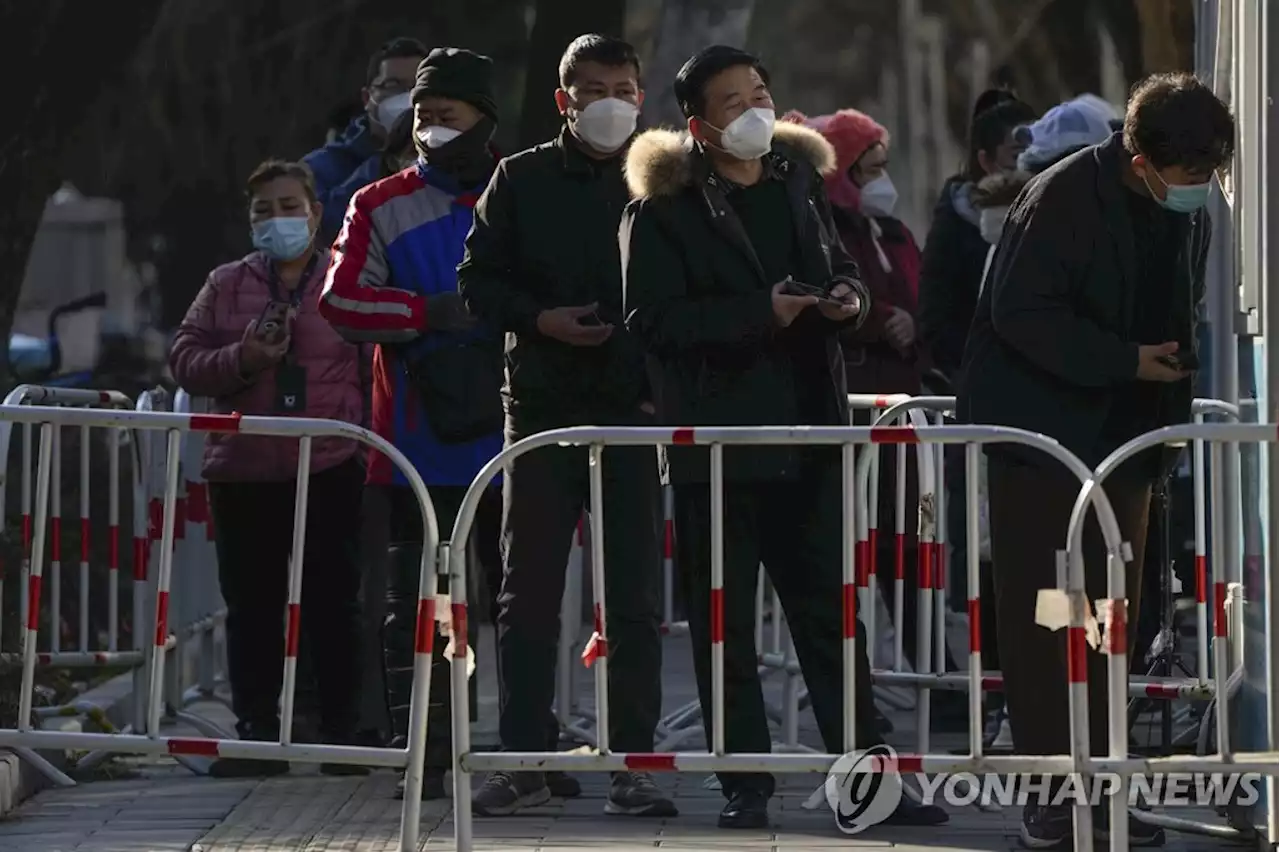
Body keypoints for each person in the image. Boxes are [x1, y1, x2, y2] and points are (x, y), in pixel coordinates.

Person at [620, 45, 947, 832]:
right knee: (723, 624)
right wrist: (759, 312)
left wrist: (845, 298)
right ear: (698, 124)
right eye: (734, 102)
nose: (754, 110)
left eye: (760, 91)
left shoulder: (798, 182)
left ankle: (870, 780)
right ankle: (746, 785)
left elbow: (842, 270)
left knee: (833, 621)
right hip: (718, 447)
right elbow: (652, 323)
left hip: (811, 433)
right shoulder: (661, 209)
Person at [958, 71, 1233, 847]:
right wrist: (1126, 360)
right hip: (1046, 443)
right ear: (1141, 158)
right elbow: (1022, 313)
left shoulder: (1176, 206)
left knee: (1113, 617)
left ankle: (1104, 781)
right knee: (1054, 613)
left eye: (1209, 176)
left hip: (1126, 444)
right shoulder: (1064, 196)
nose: (1199, 190)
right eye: (1189, 176)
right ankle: (1053, 788)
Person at [457, 34, 673, 819]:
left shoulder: (663, 179)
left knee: (636, 597)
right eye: (593, 87)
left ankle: (636, 763)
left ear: (642, 97)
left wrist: (654, 387)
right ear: (564, 99)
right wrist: (539, 319)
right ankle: (522, 757)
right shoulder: (519, 178)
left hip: (631, 416)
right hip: (543, 413)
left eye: (623, 86)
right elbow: (476, 281)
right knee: (528, 594)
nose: (610, 100)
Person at [318, 47, 506, 800]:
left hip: (517, 437)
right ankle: (423, 755)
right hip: (416, 445)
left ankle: (531, 750)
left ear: (483, 119)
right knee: (416, 609)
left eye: (445, 116)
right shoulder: (378, 202)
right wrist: (426, 314)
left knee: (523, 606)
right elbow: (341, 302)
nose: (427, 128)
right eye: (422, 116)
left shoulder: (520, 190)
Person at [170, 160, 367, 778]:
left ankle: (340, 733)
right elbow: (184, 359)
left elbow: (374, 362)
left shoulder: (345, 277)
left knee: (334, 602)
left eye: (288, 206)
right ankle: (255, 732)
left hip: (330, 462)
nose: (277, 219)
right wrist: (244, 357)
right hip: (245, 467)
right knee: (252, 604)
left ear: (314, 211)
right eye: (262, 209)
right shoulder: (227, 284)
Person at [782, 107, 966, 732]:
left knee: (906, 551)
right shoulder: (820, 229)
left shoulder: (892, 232)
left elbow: (928, 303)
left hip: (902, 418)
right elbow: (819, 301)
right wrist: (870, 316)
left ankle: (933, 679)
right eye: (871, 167)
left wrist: (912, 326)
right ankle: (849, 692)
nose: (882, 179)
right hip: (846, 414)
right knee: (842, 557)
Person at [305, 37, 429, 241]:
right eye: (393, 86)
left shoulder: (455, 162)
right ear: (367, 99)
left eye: (419, 88)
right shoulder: (319, 169)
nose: (408, 99)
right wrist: (385, 162)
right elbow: (318, 235)